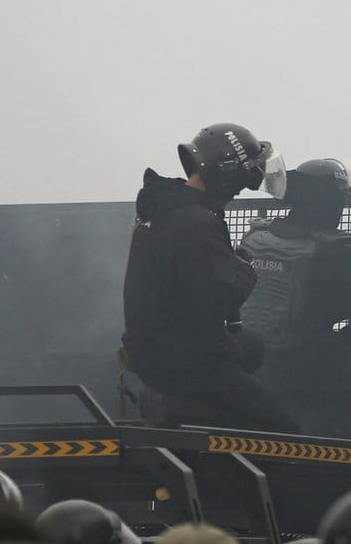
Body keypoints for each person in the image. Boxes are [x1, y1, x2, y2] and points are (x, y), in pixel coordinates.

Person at [121, 123, 299, 433]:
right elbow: (219, 297)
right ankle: (175, 410)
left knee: (252, 346)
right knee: (284, 432)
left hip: (156, 349)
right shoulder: (195, 222)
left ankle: (179, 406)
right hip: (185, 359)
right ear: (227, 172)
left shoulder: (165, 209)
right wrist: (244, 268)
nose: (239, 191)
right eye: (240, 183)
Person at [240, 157, 351, 438]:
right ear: (335, 202)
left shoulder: (255, 236)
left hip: (243, 360)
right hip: (301, 367)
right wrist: (343, 336)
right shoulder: (342, 250)